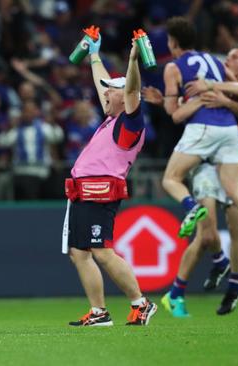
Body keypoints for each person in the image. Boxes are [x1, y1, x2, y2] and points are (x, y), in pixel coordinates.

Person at [160, 17, 238, 271]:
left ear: (174, 42)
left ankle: (191, 209)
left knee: (171, 178)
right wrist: (215, 90)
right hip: (229, 131)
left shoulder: (173, 67)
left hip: (203, 128)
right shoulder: (214, 60)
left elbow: (174, 114)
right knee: (235, 188)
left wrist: (195, 101)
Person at [63, 34, 157, 327]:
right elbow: (106, 84)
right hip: (82, 191)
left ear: (125, 96)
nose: (104, 94)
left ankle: (141, 304)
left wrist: (131, 61)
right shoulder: (111, 119)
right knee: (79, 254)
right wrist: (94, 54)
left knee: (102, 251)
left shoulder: (130, 121)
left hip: (100, 191)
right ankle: (99, 312)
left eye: (111, 92)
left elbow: (131, 89)